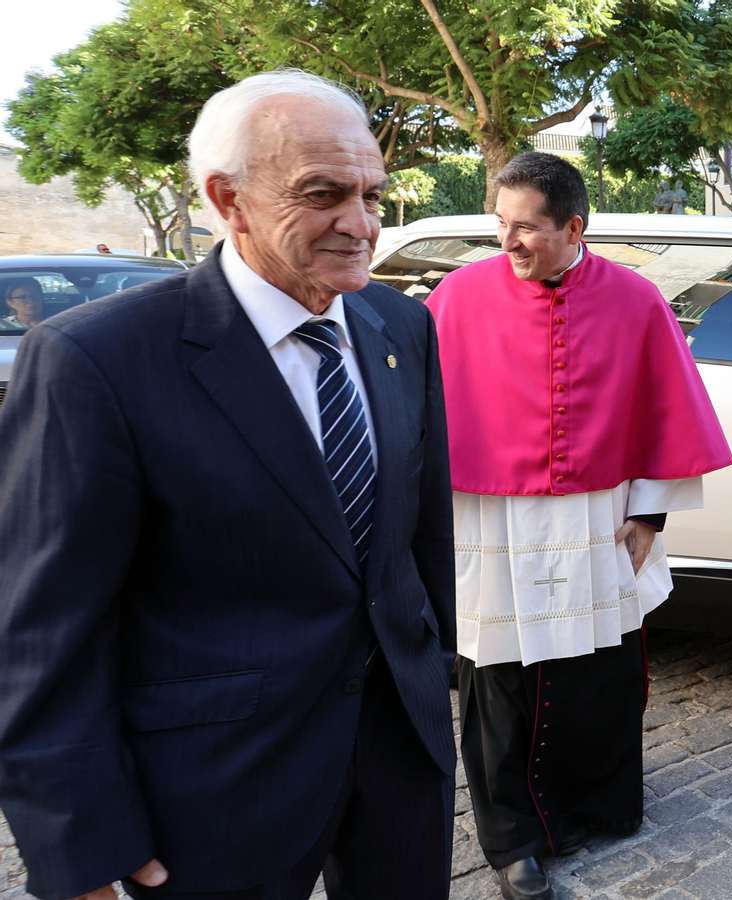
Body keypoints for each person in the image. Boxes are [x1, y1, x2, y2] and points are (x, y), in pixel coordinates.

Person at [0, 71, 456, 900]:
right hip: (215, 790)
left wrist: (433, 680)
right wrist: (81, 842)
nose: (360, 226)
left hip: (399, 758)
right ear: (227, 198)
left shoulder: (401, 325)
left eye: (371, 194)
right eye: (324, 194)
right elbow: (42, 627)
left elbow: (421, 535)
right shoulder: (96, 361)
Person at [424, 151, 732, 900]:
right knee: (499, 676)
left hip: (599, 514)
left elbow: (665, 411)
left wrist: (649, 514)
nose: (508, 243)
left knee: (598, 668)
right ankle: (513, 842)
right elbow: (420, 423)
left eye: (526, 227)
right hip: (491, 518)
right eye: (501, 225)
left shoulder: (635, 301)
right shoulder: (457, 298)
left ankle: (595, 809)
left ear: (574, 226)